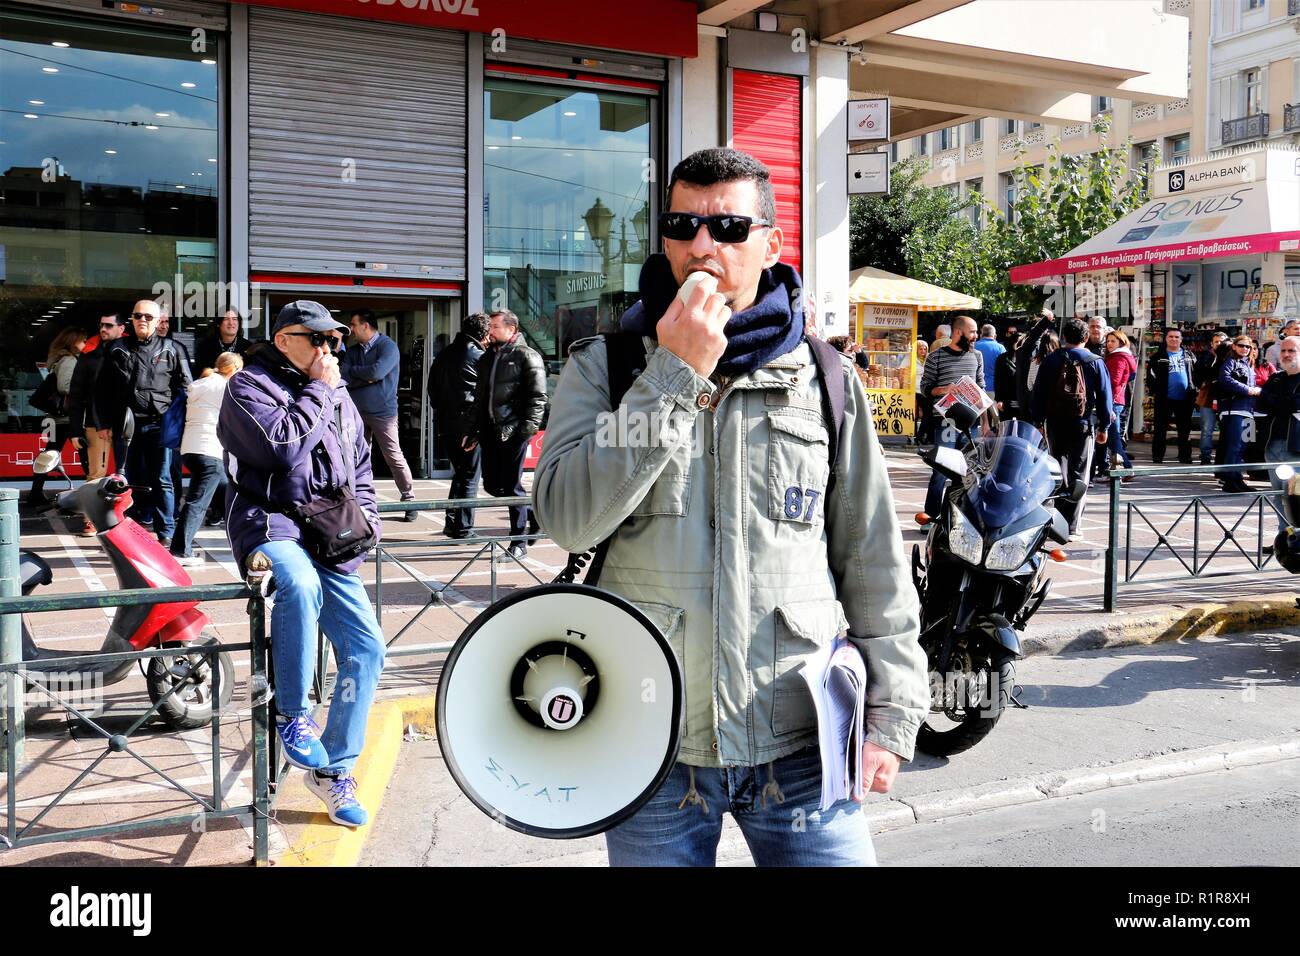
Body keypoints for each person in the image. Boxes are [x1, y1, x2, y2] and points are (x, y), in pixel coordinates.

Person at [534, 146, 927, 867]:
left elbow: (871, 556)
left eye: (729, 228)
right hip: (653, 740)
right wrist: (673, 372)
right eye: (683, 225)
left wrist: (892, 709)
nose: (703, 245)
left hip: (801, 739)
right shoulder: (611, 365)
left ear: (773, 244)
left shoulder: (827, 378)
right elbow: (569, 518)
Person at [218, 300, 385, 828]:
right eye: (318, 340)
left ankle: (334, 771)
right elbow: (283, 448)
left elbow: (360, 459)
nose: (329, 350)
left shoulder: (336, 393)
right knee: (298, 583)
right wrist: (319, 389)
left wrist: (369, 517)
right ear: (285, 338)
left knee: (366, 647)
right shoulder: (247, 387)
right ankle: (293, 716)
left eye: (334, 341)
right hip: (269, 522)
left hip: (329, 528)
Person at [93, 299, 192, 546]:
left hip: (160, 424)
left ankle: (166, 533)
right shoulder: (116, 348)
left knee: (162, 479)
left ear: (158, 321)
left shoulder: (173, 348)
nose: (143, 320)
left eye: (149, 317)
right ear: (132, 320)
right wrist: (102, 422)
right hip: (125, 426)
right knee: (126, 479)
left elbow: (188, 389)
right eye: (138, 316)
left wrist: (182, 424)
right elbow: (100, 389)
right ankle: (128, 531)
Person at [470, 309, 547, 557]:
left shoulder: (527, 356)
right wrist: (473, 431)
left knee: (512, 486)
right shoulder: (486, 358)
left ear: (511, 329)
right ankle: (533, 515)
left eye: (494, 326)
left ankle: (518, 544)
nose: (489, 331)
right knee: (493, 485)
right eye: (490, 326)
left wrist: (526, 431)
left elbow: (538, 398)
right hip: (490, 431)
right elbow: (479, 398)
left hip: (513, 431)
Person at [1031, 317, 1112, 534]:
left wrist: (1038, 421)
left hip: (1055, 423)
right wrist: (1104, 426)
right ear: (1086, 337)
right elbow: (1105, 398)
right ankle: (1072, 525)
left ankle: (1057, 521)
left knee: (1058, 470)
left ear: (1064, 337)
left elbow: (1039, 393)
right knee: (1081, 473)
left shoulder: (1051, 360)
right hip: (1083, 424)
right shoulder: (1095, 361)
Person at [340, 309, 418, 522]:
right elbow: (344, 375)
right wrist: (365, 376)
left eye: (354, 325)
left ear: (366, 326)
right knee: (357, 457)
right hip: (356, 412)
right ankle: (360, 500)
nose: (352, 330)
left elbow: (377, 372)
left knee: (393, 455)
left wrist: (361, 375)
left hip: (383, 412)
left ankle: (410, 498)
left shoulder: (388, 347)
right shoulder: (354, 351)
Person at [170, 352, 242, 566]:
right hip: (210, 452)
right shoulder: (223, 387)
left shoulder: (200, 384)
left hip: (191, 450)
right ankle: (180, 551)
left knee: (228, 497)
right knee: (197, 503)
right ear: (234, 369)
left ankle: (246, 543)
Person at [917, 314, 984, 525]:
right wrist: (946, 389)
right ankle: (931, 518)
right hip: (946, 421)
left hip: (972, 423)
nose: (975, 336)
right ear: (958, 332)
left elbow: (981, 385)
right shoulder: (936, 357)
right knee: (940, 471)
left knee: (968, 472)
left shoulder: (977, 356)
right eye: (972, 332)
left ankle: (961, 520)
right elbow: (925, 388)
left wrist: (979, 399)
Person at [428, 311, 489, 538]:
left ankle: (452, 523)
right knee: (469, 476)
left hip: (445, 422)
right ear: (483, 334)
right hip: (467, 426)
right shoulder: (477, 356)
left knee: (461, 474)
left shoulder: (445, 353)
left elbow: (432, 389)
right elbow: (483, 395)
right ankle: (463, 527)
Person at [68, 313, 127, 535]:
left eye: (109, 325)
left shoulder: (129, 351)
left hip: (125, 422)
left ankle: (125, 517)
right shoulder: (90, 354)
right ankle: (91, 519)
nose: (103, 329)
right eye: (101, 324)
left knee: (126, 473)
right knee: (96, 475)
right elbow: (76, 393)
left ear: (121, 328)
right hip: (95, 423)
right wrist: (75, 429)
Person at [27, 327, 88, 511]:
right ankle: (94, 490)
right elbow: (65, 387)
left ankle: (35, 493)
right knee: (86, 455)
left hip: (57, 418)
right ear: (73, 342)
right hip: (68, 418)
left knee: (49, 455)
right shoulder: (69, 360)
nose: (85, 344)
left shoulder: (60, 359)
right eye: (83, 340)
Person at [1257, 336, 1300, 537]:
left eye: (1292, 351)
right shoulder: (1276, 378)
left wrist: (1277, 402)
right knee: (1278, 494)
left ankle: (1297, 537)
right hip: (1273, 444)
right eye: (1283, 351)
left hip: (1295, 445)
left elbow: (1294, 404)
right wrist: (1280, 402)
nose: (1286, 354)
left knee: (1295, 495)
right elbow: (1261, 403)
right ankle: (1284, 536)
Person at [1216, 335, 1260, 493]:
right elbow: (1225, 379)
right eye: (1241, 346)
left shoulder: (1249, 364)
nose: (1245, 349)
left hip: (1248, 410)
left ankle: (1237, 479)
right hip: (1233, 410)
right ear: (1234, 346)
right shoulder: (1230, 361)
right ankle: (1230, 481)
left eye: (1248, 347)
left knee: (1242, 447)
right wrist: (1248, 390)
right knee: (1234, 447)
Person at [1146, 327, 1195, 465]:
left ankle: (1185, 456)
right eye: (1171, 337)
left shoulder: (1189, 356)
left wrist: (1194, 389)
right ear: (1166, 339)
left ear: (1181, 339)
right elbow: (1150, 377)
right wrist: (1156, 390)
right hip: (1164, 398)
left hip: (1185, 399)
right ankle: (1158, 456)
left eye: (1177, 337)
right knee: (1160, 429)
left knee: (1184, 430)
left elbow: (1196, 373)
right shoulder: (1158, 357)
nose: (1174, 339)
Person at [1100, 330, 1137, 482]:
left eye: (1113, 341)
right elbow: (1130, 376)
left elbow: (1114, 380)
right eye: (1108, 341)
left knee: (1113, 437)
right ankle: (1120, 469)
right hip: (1116, 400)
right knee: (1111, 436)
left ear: (1121, 342)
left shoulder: (1118, 357)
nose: (1109, 344)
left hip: (1112, 400)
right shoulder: (1121, 356)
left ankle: (1126, 469)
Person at [1193, 331, 1228, 466]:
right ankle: (1205, 456)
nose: (1219, 344)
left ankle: (1223, 456)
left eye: (1222, 341)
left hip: (1225, 399)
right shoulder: (1205, 357)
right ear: (1212, 344)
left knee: (1226, 429)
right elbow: (1197, 375)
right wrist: (1202, 383)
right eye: (1216, 342)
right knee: (1207, 428)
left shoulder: (1230, 358)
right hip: (1208, 397)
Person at [194, 308, 251, 375]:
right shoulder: (205, 347)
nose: (231, 323)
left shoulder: (248, 347)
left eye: (235, 319)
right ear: (218, 323)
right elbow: (200, 373)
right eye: (226, 319)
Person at [972, 323, 1004, 392]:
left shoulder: (972, 346)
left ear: (981, 334)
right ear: (995, 336)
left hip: (975, 388)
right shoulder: (1000, 348)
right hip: (994, 387)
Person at [993, 346, 1020, 420]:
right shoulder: (1002, 358)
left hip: (1022, 402)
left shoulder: (1025, 357)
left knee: (1022, 429)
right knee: (1006, 428)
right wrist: (999, 399)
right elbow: (997, 379)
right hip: (1006, 401)